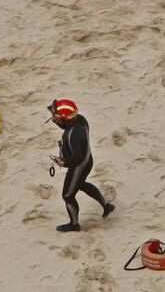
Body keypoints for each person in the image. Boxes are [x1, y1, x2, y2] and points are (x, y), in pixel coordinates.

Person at [47, 98, 115, 232]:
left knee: (67, 195)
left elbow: (76, 158)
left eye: (56, 118)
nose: (54, 119)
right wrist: (58, 121)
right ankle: (107, 205)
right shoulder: (80, 120)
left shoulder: (72, 135)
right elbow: (66, 126)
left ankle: (74, 224)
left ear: (66, 119)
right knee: (81, 184)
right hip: (87, 160)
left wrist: (64, 162)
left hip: (78, 166)